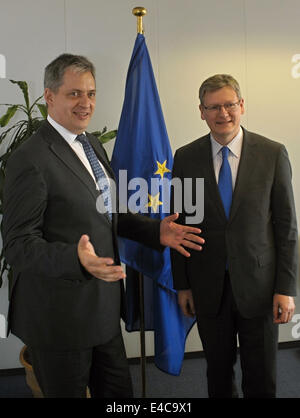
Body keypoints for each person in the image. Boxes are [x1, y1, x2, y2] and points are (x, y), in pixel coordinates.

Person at [1, 53, 204, 398]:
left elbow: (108, 213)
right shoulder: (30, 159)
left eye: (91, 93)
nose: (86, 103)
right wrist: (75, 259)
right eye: (75, 94)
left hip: (103, 312)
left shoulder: (91, 143)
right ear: (50, 97)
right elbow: (19, 244)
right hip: (59, 319)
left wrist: (156, 232)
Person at [171, 74, 298, 398]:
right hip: (208, 287)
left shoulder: (272, 154)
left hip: (260, 287)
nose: (222, 113)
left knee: (261, 373)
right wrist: (182, 284)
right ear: (201, 111)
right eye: (213, 107)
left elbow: (286, 228)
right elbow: (179, 227)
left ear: (241, 106)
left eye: (229, 104)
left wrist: (286, 288)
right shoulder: (186, 158)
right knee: (217, 371)